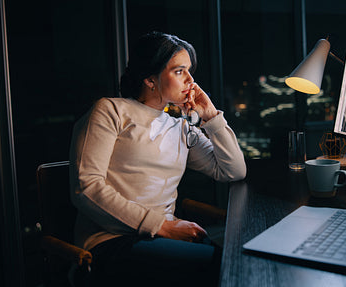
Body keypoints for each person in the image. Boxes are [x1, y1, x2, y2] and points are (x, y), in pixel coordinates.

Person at [69, 31, 246, 286]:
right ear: (150, 79)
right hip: (110, 243)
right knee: (221, 265)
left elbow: (233, 171)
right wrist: (162, 226)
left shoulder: (180, 127)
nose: (191, 80)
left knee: (233, 259)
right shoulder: (110, 111)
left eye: (189, 71)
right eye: (179, 71)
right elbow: (86, 188)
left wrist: (211, 118)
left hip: (165, 236)